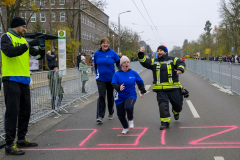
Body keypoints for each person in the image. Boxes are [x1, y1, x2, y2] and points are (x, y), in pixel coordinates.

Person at [1, 17, 45, 155]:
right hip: (11, 80)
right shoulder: (5, 37)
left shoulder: (24, 40)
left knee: (25, 112)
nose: (25, 29)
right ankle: (9, 145)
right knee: (12, 113)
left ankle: (21, 139)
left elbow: (37, 56)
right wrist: (27, 45)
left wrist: (42, 47)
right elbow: (10, 52)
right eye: (24, 26)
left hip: (24, 81)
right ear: (16, 26)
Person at [138, 45, 186, 130]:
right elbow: (144, 62)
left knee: (178, 105)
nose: (159, 52)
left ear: (165, 52)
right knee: (163, 106)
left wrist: (180, 69)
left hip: (174, 88)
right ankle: (165, 122)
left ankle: (176, 112)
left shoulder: (173, 59)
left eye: (161, 50)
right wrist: (141, 54)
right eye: (158, 50)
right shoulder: (154, 61)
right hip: (161, 90)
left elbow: (181, 63)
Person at [112, 56, 146, 134]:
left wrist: (142, 91)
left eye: (128, 62)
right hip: (119, 97)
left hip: (131, 95)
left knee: (128, 107)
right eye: (124, 63)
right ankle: (125, 127)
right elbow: (113, 83)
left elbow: (140, 82)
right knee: (120, 115)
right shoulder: (117, 74)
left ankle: (130, 119)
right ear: (121, 64)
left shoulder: (133, 73)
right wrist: (118, 87)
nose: (126, 64)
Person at [94, 37, 120, 123]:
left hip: (111, 78)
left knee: (110, 96)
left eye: (107, 43)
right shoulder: (96, 53)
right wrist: (97, 73)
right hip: (100, 79)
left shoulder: (112, 53)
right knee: (101, 96)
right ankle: (100, 116)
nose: (105, 44)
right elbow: (95, 66)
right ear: (101, 44)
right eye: (103, 43)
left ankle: (111, 112)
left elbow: (118, 62)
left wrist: (119, 70)